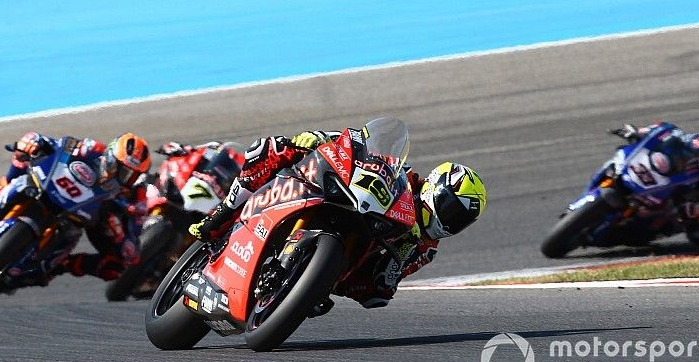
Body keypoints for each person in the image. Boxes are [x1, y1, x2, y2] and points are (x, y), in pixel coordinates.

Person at [189, 119, 487, 310]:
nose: (450, 221)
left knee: (374, 292)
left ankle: (307, 286)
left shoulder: (426, 248)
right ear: (435, 188)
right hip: (339, 195)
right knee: (269, 150)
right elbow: (355, 143)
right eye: (451, 209)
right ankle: (223, 214)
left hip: (354, 250)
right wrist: (318, 139)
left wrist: (391, 271)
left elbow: (383, 289)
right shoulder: (403, 177)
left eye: (460, 221)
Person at [0, 131, 152, 283]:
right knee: (21, 174)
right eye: (124, 170)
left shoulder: (127, 189)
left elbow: (134, 214)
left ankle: (58, 265)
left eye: (131, 175)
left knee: (110, 257)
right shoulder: (92, 149)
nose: (125, 177)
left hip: (76, 215)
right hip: (51, 187)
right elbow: (59, 145)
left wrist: (130, 213)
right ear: (110, 157)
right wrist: (35, 142)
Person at [606, 122, 699, 249]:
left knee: (645, 229)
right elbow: (671, 132)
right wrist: (641, 132)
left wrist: (698, 216)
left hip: (671, 210)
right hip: (664, 177)